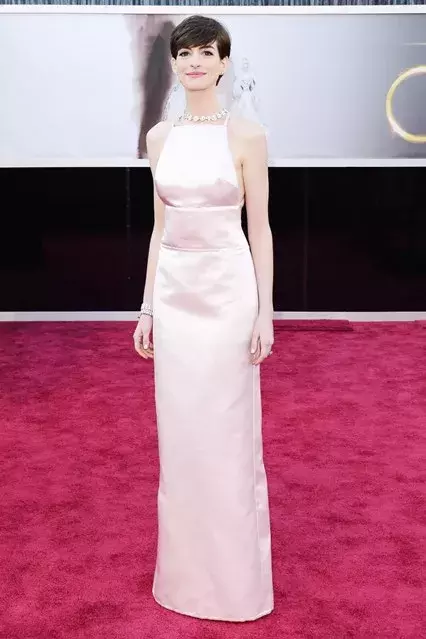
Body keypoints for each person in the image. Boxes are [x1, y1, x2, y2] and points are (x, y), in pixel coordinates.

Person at [133, 15, 274, 622]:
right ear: (174, 63)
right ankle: (186, 578)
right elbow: (159, 229)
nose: (195, 62)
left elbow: (259, 229)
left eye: (206, 53)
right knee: (182, 436)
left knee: (228, 434)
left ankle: (235, 585)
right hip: (174, 296)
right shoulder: (159, 138)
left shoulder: (246, 135)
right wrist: (146, 307)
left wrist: (266, 311)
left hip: (227, 295)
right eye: (185, 52)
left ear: (223, 63)